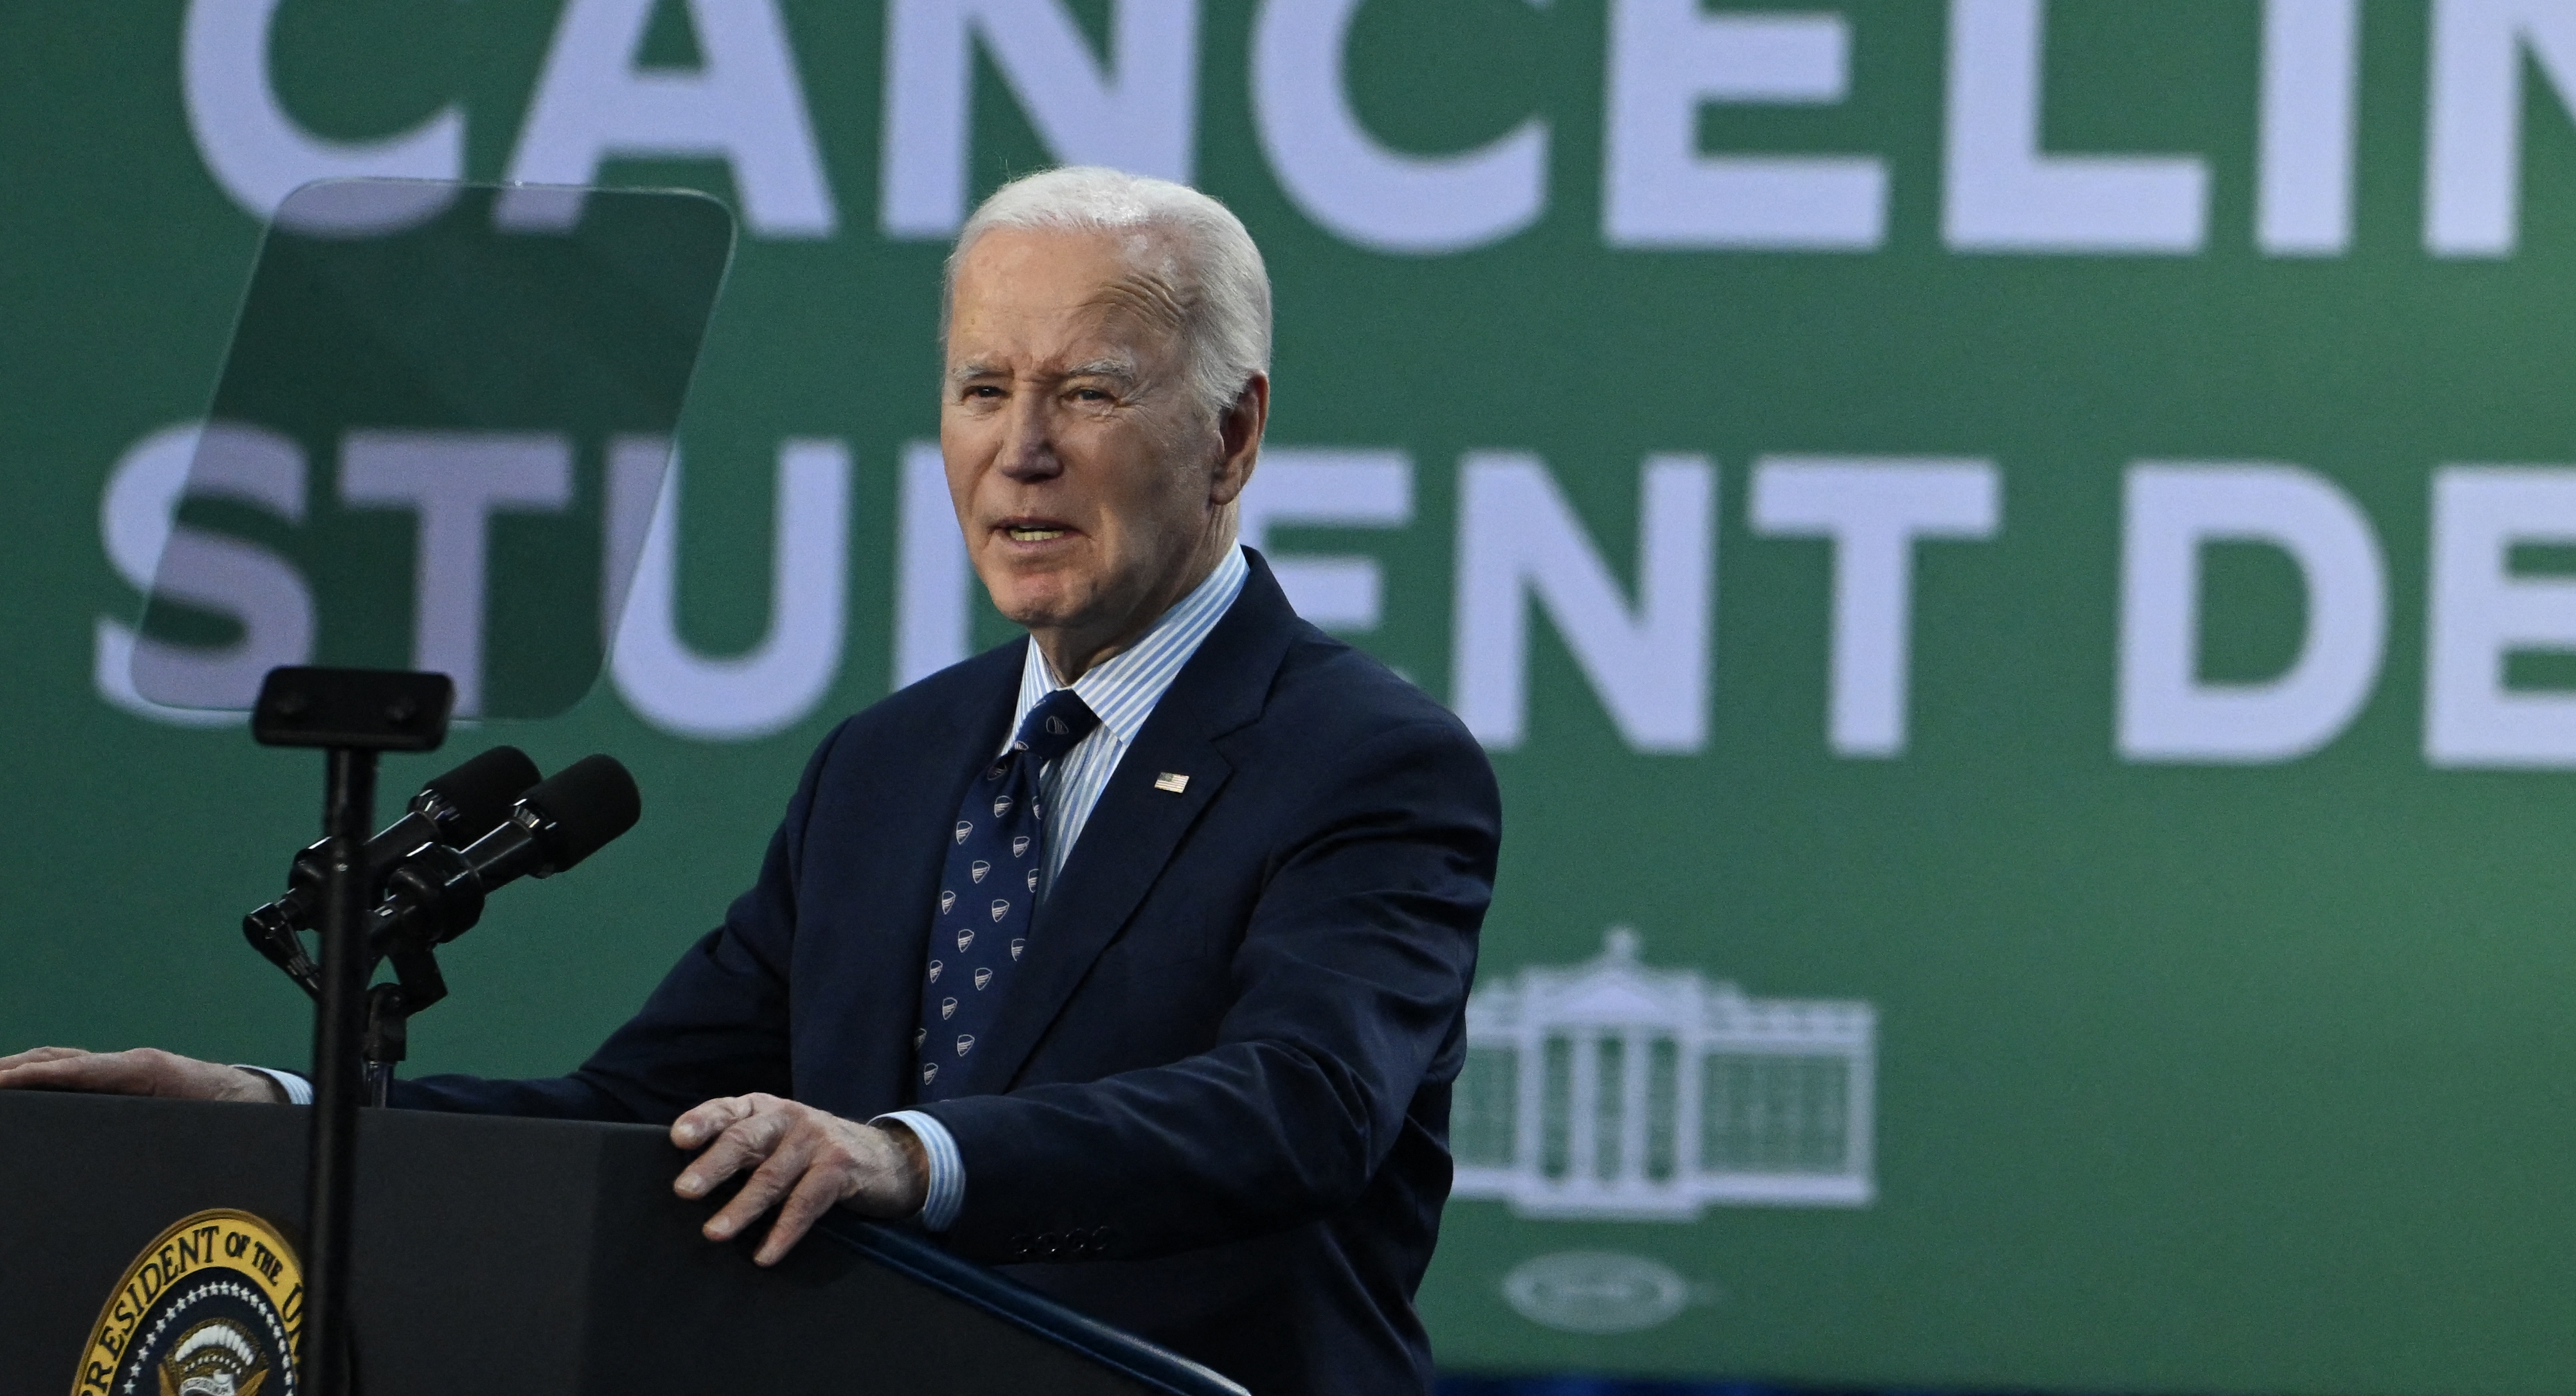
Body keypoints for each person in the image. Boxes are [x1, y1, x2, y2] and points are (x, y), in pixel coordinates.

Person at [0, 165, 1502, 1396]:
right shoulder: (890, 763)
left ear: (1231, 433)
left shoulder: (1362, 758)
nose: (1021, 451)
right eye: (982, 387)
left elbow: (1300, 1106)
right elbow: (631, 1114)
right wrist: (270, 1111)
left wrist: (904, 1155)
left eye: (1088, 392)